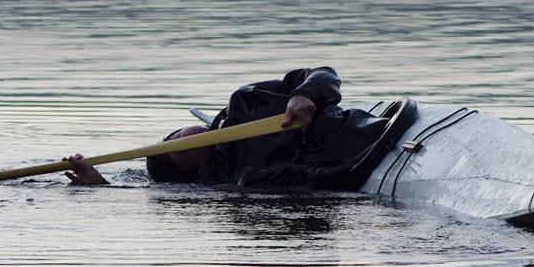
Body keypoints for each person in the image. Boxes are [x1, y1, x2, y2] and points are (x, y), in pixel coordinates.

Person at [64, 66, 412, 190]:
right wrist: (100, 185)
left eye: (174, 140)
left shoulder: (247, 100)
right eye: (181, 156)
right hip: (354, 166)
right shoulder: (229, 179)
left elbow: (324, 74)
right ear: (195, 168)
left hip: (368, 131)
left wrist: (303, 94)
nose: (184, 144)